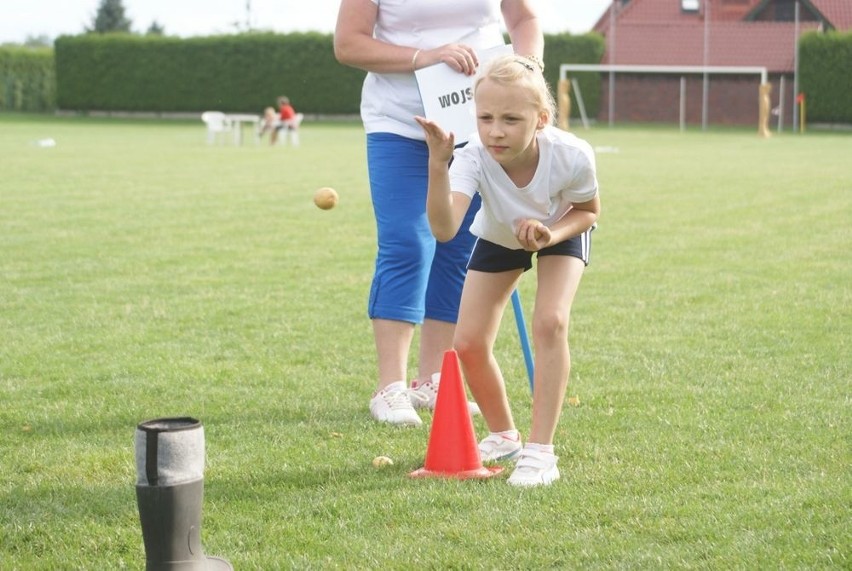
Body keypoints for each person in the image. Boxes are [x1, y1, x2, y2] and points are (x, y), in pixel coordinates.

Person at [334, 0, 544, 427]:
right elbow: (348, 43)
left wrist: (529, 66)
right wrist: (423, 58)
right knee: (408, 241)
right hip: (399, 124)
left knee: (461, 248)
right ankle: (389, 386)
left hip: (477, 123)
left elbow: (523, 18)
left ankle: (432, 379)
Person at [415, 54, 601, 486]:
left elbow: (589, 211)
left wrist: (549, 235)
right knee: (468, 343)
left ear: (541, 119)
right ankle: (504, 434)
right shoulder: (472, 157)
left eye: (511, 119)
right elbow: (444, 230)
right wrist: (437, 164)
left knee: (551, 321)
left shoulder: (572, 155)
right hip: (499, 234)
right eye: (485, 117)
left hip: (561, 227)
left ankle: (540, 452)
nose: (496, 130)